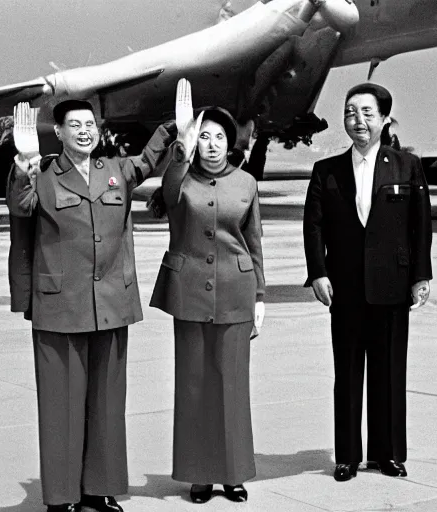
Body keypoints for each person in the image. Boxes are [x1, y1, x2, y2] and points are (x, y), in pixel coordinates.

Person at [6, 100, 174, 512]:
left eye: (90, 124)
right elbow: (19, 205)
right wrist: (24, 160)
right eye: (74, 125)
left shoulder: (114, 170)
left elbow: (149, 161)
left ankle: (98, 490)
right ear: (58, 132)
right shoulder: (42, 174)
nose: (85, 131)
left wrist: (172, 127)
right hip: (60, 307)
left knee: (106, 403)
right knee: (60, 405)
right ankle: (61, 497)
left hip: (111, 305)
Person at [303, 83, 432, 482]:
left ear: (385, 118)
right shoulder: (326, 170)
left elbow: (420, 226)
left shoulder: (407, 166)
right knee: (348, 372)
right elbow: (314, 226)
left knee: (390, 370)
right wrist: (318, 273)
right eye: (350, 112)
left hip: (392, 284)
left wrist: (421, 276)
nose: (357, 120)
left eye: (366, 113)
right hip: (344, 286)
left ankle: (387, 453)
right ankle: (347, 456)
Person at [150, 79, 265, 504]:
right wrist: (181, 143)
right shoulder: (180, 180)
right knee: (194, 384)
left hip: (237, 291)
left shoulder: (247, 183)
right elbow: (168, 191)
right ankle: (199, 474)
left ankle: (233, 474)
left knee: (232, 386)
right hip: (190, 293)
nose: (212, 144)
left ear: (229, 142)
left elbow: (254, 243)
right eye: (205, 137)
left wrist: (261, 297)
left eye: (219, 137)